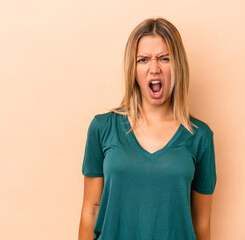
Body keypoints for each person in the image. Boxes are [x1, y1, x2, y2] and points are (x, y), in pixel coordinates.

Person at [78, 18, 217, 240]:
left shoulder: (199, 136)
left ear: (178, 66)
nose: (154, 69)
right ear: (133, 69)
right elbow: (90, 211)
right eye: (143, 60)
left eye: (164, 59)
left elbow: (201, 223)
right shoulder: (102, 128)